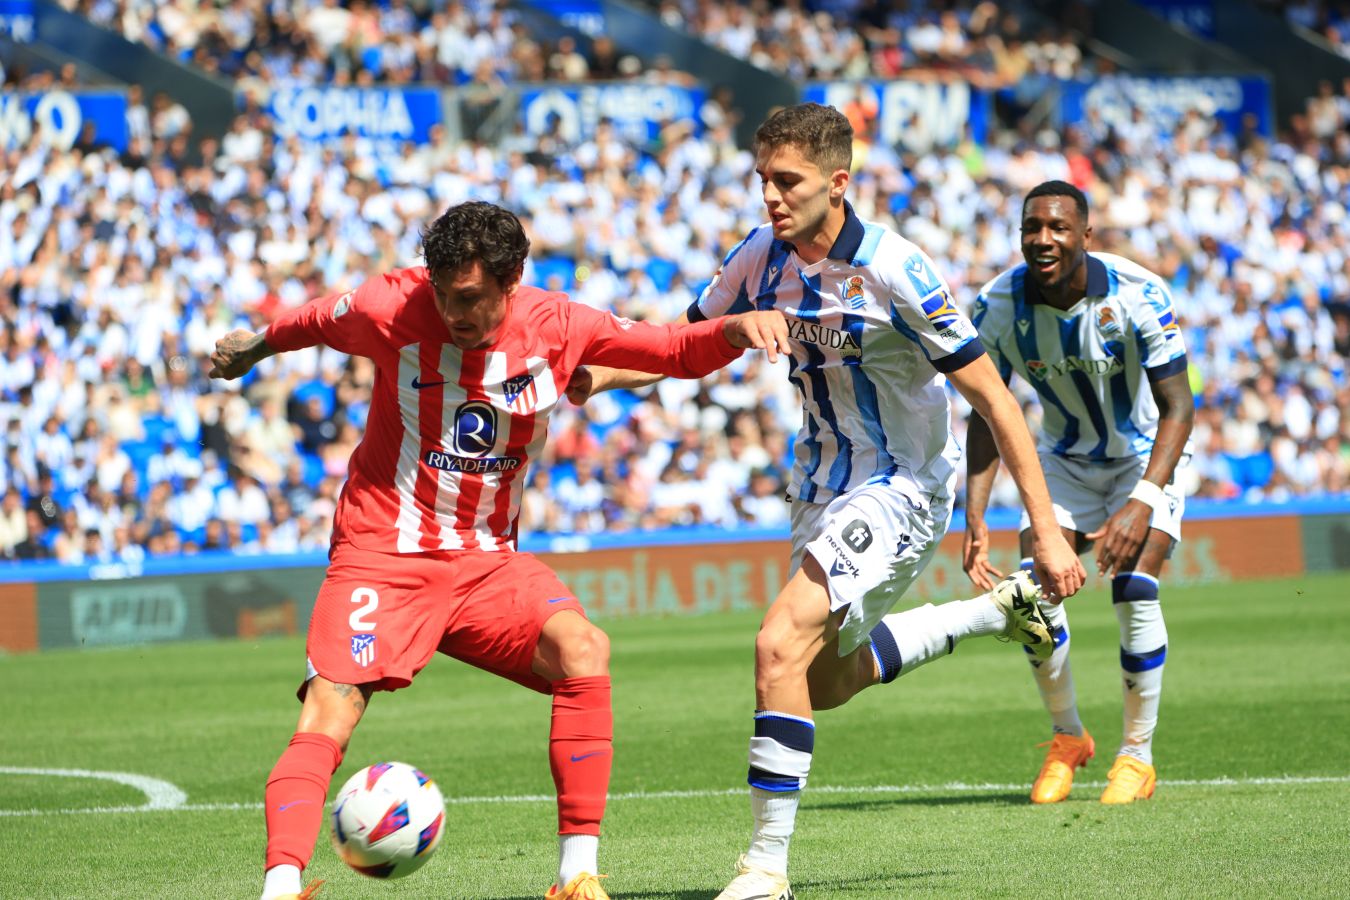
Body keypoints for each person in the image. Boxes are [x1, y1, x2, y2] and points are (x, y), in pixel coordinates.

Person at [570, 103, 1085, 900]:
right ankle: (987, 614)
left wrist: (1044, 533)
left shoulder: (896, 270)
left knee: (775, 647)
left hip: (903, 486)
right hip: (818, 487)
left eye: (788, 182)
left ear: (837, 183)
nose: (770, 197)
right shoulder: (758, 257)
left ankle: (764, 869)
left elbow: (998, 402)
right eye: (762, 180)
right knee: (818, 684)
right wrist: (590, 378)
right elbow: (680, 348)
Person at [209, 200, 790, 900]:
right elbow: (313, 321)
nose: (454, 312)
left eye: (471, 299)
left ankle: (577, 877)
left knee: (584, 649)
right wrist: (255, 347)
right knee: (330, 710)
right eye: (445, 294)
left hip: (487, 562)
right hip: (383, 553)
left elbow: (671, 350)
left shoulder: (560, 325)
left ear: (510, 282)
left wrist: (734, 329)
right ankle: (279, 887)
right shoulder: (389, 304)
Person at [963, 180, 1195, 805]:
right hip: (1062, 461)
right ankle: (1068, 738)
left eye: (1058, 227)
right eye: (1032, 227)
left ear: (1084, 235)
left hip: (1147, 455)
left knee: (1133, 586)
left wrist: (1143, 498)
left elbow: (1179, 406)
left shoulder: (1139, 293)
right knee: (1034, 595)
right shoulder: (998, 306)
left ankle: (1137, 757)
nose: (1044, 239)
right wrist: (975, 516)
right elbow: (988, 411)